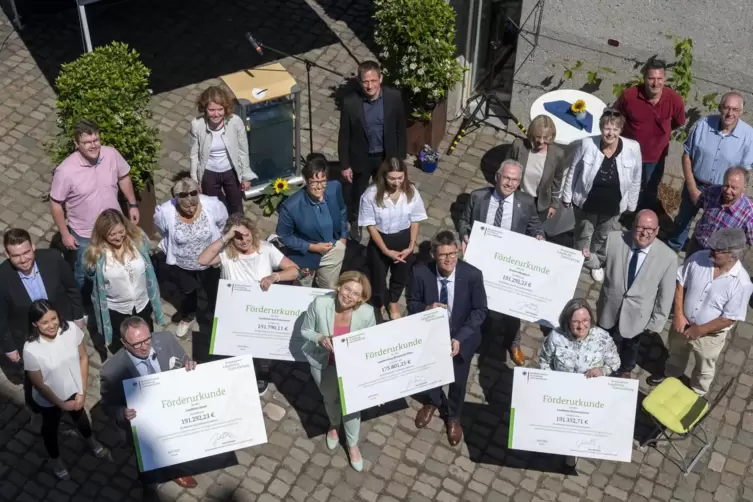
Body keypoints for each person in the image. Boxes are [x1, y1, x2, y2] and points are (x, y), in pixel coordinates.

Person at [198, 213, 299, 395]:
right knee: (237, 347)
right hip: (234, 311)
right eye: (237, 237)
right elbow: (202, 260)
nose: (243, 240)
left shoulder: (266, 249)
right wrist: (226, 237)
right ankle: (239, 371)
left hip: (260, 310)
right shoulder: (226, 254)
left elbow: (294, 271)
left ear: (252, 232)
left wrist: (274, 276)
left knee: (262, 347)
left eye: (246, 234)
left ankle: (262, 371)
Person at [457, 159, 543, 366]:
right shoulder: (478, 197)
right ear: (497, 177)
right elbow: (463, 221)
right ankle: (479, 336)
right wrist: (464, 235)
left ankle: (513, 342)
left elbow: (534, 225)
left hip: (511, 262)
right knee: (479, 299)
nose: (510, 183)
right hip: (482, 258)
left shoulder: (526, 202)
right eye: (506, 178)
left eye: (515, 180)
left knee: (511, 307)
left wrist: (539, 235)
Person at [647, 228, 753, 396]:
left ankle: (697, 393)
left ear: (733, 256)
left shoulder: (742, 284)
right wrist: (679, 314)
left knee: (705, 367)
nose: (711, 251)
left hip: (710, 337)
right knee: (675, 353)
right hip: (682, 324)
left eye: (717, 250)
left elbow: (729, 318)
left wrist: (701, 330)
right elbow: (680, 282)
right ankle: (671, 375)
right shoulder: (699, 258)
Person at [99, 316, 200, 489]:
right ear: (124, 342)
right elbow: (107, 406)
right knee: (146, 459)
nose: (144, 346)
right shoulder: (112, 371)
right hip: (144, 425)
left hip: (171, 408)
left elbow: (182, 357)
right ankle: (150, 481)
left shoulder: (166, 339)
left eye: (147, 339)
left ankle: (177, 470)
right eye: (137, 344)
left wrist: (188, 364)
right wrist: (122, 412)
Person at [408, 231, 487, 446]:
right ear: (434, 255)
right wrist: (426, 308)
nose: (449, 259)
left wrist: (460, 337)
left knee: (458, 381)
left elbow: (480, 310)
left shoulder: (472, 275)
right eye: (443, 255)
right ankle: (433, 401)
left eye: (453, 253)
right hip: (432, 337)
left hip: (462, 338)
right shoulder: (420, 273)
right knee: (433, 373)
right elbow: (412, 303)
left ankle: (453, 417)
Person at [49, 119, 140, 289]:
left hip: (114, 227)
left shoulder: (111, 154)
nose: (93, 146)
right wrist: (64, 234)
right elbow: (55, 204)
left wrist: (132, 204)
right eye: (87, 142)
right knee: (83, 270)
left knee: (116, 262)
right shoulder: (66, 171)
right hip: (85, 233)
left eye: (96, 140)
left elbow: (123, 177)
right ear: (77, 144)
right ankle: (84, 303)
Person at [23, 300, 107, 480]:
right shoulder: (31, 349)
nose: (51, 325)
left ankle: (90, 440)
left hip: (74, 388)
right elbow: (39, 384)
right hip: (49, 398)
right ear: (34, 324)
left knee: (81, 417)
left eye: (53, 318)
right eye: (44, 322)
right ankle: (56, 460)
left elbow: (83, 358)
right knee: (50, 428)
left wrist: (82, 391)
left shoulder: (70, 330)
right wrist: (61, 404)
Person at [300, 271, 376, 471]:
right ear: (338, 287)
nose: (349, 295)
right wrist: (320, 338)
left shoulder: (367, 313)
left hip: (351, 368)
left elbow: (371, 342)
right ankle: (334, 425)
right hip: (323, 363)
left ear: (361, 298)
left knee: (351, 406)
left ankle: (352, 445)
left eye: (355, 293)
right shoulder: (320, 304)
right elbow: (305, 330)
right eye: (347, 288)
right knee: (330, 398)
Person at [587, 210, 677, 377]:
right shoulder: (614, 240)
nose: (644, 233)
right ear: (633, 226)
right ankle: (598, 363)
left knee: (631, 343)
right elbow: (599, 261)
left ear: (657, 231)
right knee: (603, 337)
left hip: (637, 315)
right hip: (610, 305)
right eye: (640, 227)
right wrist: (587, 258)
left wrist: (657, 322)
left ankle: (626, 369)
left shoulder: (668, 258)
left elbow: (666, 295)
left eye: (650, 229)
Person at [538, 298, 621, 469]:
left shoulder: (602, 338)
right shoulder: (555, 337)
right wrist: (551, 382)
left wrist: (602, 371)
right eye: (575, 322)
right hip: (560, 392)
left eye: (585, 321)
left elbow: (615, 363)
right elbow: (544, 361)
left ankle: (575, 450)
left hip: (589, 394)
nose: (581, 326)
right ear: (567, 321)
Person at [562, 110, 642, 282]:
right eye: (607, 128)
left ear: (621, 130)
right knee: (583, 234)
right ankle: (582, 261)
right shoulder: (587, 144)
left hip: (613, 206)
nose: (610, 133)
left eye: (615, 129)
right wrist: (567, 196)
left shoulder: (633, 148)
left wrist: (632, 205)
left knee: (601, 235)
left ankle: (591, 258)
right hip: (586, 202)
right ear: (601, 128)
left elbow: (636, 176)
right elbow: (574, 170)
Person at [667, 92, 753, 252]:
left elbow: (744, 173)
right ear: (720, 108)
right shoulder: (703, 124)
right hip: (696, 183)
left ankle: (702, 258)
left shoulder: (749, 136)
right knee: (682, 221)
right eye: (726, 108)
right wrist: (692, 188)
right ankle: (672, 252)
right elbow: (687, 155)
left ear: (741, 112)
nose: (730, 113)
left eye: (735, 109)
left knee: (712, 229)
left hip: (722, 192)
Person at [338, 60, 407, 241]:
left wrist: (399, 159)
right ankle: (356, 221)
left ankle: (382, 219)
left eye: (373, 81)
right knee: (359, 191)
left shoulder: (394, 98)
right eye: (366, 82)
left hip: (386, 156)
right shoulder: (350, 103)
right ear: (360, 82)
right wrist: (345, 165)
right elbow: (344, 135)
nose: (370, 86)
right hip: (361, 157)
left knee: (385, 189)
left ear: (380, 78)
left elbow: (400, 129)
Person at [155, 176, 228, 337]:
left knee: (214, 290)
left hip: (210, 260)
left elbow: (222, 222)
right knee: (187, 291)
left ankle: (217, 316)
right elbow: (163, 231)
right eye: (185, 207)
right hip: (183, 262)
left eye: (194, 205)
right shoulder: (165, 212)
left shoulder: (212, 205)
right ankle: (189, 315)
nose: (190, 209)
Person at [85, 209, 165, 354]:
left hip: (142, 303)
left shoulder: (138, 240)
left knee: (145, 336)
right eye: (112, 234)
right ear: (103, 234)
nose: (118, 237)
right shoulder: (96, 254)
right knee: (121, 343)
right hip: (117, 309)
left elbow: (148, 257)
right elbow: (91, 278)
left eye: (120, 231)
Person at [1, 229, 84, 364]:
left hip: (61, 325)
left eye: (26, 252)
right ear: (7, 254)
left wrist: (78, 316)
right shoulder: (2, 278)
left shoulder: (53, 258)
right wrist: (10, 348)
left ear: (33, 247)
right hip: (30, 337)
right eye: (16, 255)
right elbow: (1, 319)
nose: (23, 260)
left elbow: (72, 288)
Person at [358, 157, 427, 320]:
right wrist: (386, 251)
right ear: (384, 176)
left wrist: (411, 245)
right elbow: (371, 226)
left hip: (404, 238)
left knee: (401, 274)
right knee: (378, 276)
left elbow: (415, 219)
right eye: (392, 178)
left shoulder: (411, 192)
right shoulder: (371, 195)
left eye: (400, 178)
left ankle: (393, 301)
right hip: (381, 240)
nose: (396, 182)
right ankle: (380, 301)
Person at [614, 59, 686, 210]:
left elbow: (679, 122)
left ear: (664, 79)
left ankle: (641, 215)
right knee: (623, 182)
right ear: (644, 78)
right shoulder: (630, 96)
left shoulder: (674, 99)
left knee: (649, 189)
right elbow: (616, 115)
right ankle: (619, 210)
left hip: (655, 157)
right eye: (651, 78)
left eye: (659, 79)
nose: (655, 83)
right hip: (629, 153)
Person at [276, 155, 348, 289]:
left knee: (329, 287)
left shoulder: (335, 188)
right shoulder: (291, 206)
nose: (320, 187)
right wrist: (312, 247)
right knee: (303, 287)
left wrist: (343, 236)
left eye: (323, 181)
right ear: (305, 180)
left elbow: (342, 210)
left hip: (333, 250)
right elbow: (284, 235)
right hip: (305, 257)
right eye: (314, 182)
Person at [189, 85, 257, 215]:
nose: (216, 114)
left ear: (226, 108)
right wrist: (195, 181)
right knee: (213, 207)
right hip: (209, 172)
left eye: (220, 109)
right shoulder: (197, 125)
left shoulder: (235, 122)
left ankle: (237, 230)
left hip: (230, 170)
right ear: (205, 109)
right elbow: (194, 155)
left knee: (236, 206)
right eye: (211, 110)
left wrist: (246, 176)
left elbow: (243, 151)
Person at [676, 166, 753, 258]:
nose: (728, 191)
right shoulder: (712, 191)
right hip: (696, 245)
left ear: (744, 188)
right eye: (726, 185)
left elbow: (749, 241)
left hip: (718, 258)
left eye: (734, 188)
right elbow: (698, 203)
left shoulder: (748, 213)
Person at [508, 114, 567, 224]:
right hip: (517, 197)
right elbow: (505, 169)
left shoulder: (557, 154)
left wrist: (554, 204)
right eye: (538, 137)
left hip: (539, 204)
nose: (541, 141)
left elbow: (557, 181)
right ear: (531, 134)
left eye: (545, 138)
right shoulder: (519, 146)